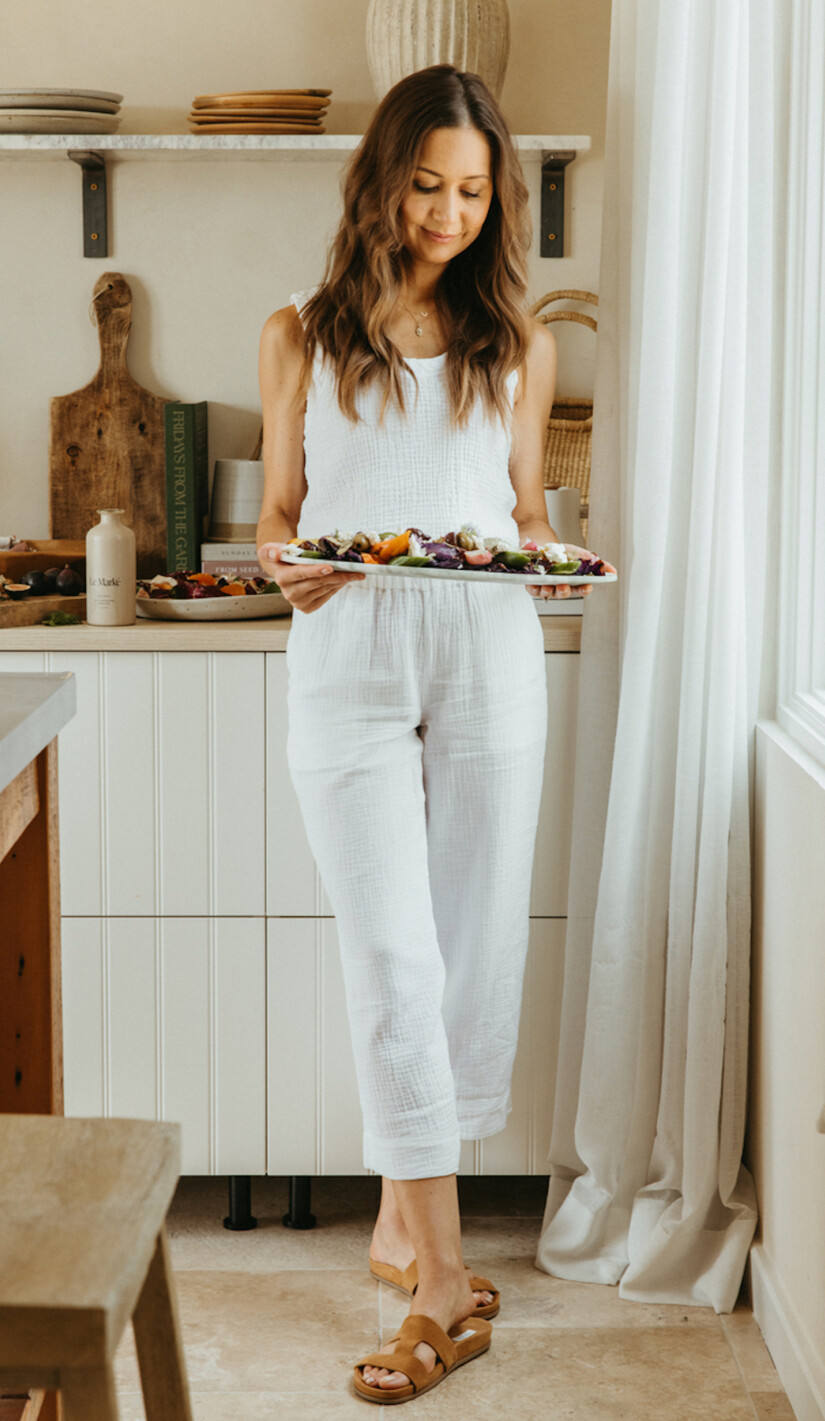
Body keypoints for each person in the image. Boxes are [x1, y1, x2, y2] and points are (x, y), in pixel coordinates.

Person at [256, 63, 614, 1405]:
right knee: (391, 953)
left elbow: (519, 511)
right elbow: (280, 512)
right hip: (345, 658)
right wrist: (289, 563)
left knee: (464, 951)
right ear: (379, 178)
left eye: (472, 192)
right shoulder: (297, 332)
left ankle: (411, 1221)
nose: (448, 214)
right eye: (426, 186)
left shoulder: (516, 344)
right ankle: (448, 1287)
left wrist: (551, 557)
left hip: (486, 658)